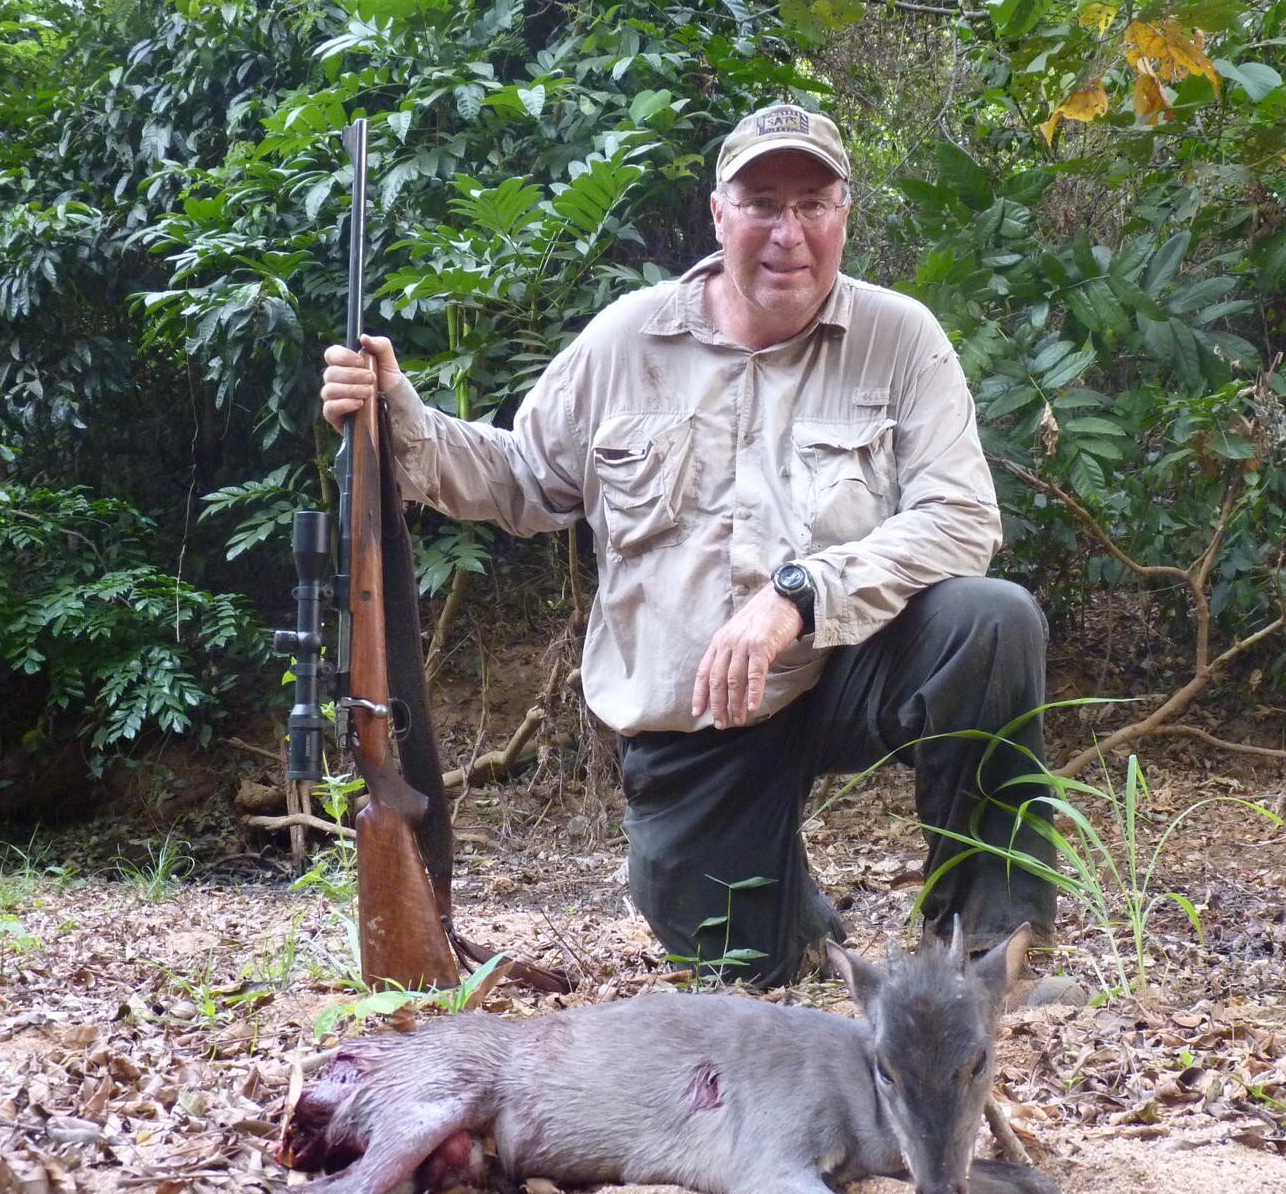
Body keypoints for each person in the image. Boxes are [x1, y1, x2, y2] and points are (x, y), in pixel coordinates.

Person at [320, 102, 1054, 985]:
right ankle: (798, 919)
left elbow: (962, 517)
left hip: (846, 665)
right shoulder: (629, 338)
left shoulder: (902, 339)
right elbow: (521, 480)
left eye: (813, 205)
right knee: (750, 966)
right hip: (698, 721)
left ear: (844, 215)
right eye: (762, 203)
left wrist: (798, 595)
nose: (789, 233)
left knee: (991, 621)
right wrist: (398, 415)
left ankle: (984, 951)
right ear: (718, 214)